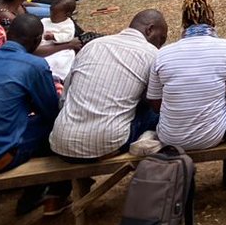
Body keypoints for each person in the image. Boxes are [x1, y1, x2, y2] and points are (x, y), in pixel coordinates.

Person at [147, 0, 226, 186]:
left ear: (183, 22)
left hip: (171, 137)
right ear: (212, 19)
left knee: (220, 106)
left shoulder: (163, 54)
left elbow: (155, 104)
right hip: (213, 135)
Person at [0, 15, 66, 218]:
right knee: (56, 128)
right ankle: (37, 194)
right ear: (37, 40)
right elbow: (50, 111)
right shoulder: (34, 65)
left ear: (7, 35)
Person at [50, 9, 168, 160]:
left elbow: (64, 98)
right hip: (107, 144)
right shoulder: (152, 54)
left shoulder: (92, 45)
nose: (160, 45)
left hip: (62, 142)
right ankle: (145, 139)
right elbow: (157, 101)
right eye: (161, 39)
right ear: (150, 29)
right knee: (160, 110)